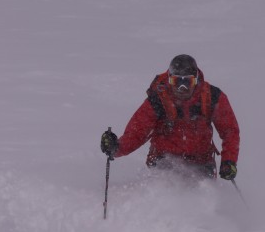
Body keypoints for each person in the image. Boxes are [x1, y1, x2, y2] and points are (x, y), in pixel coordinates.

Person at [100, 54, 239, 180]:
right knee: (163, 194)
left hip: (201, 161)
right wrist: (116, 148)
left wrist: (229, 161)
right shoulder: (158, 99)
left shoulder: (212, 97)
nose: (182, 89)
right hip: (163, 160)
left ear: (196, 81)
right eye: (177, 82)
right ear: (169, 80)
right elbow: (138, 131)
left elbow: (230, 131)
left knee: (204, 198)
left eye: (187, 82)